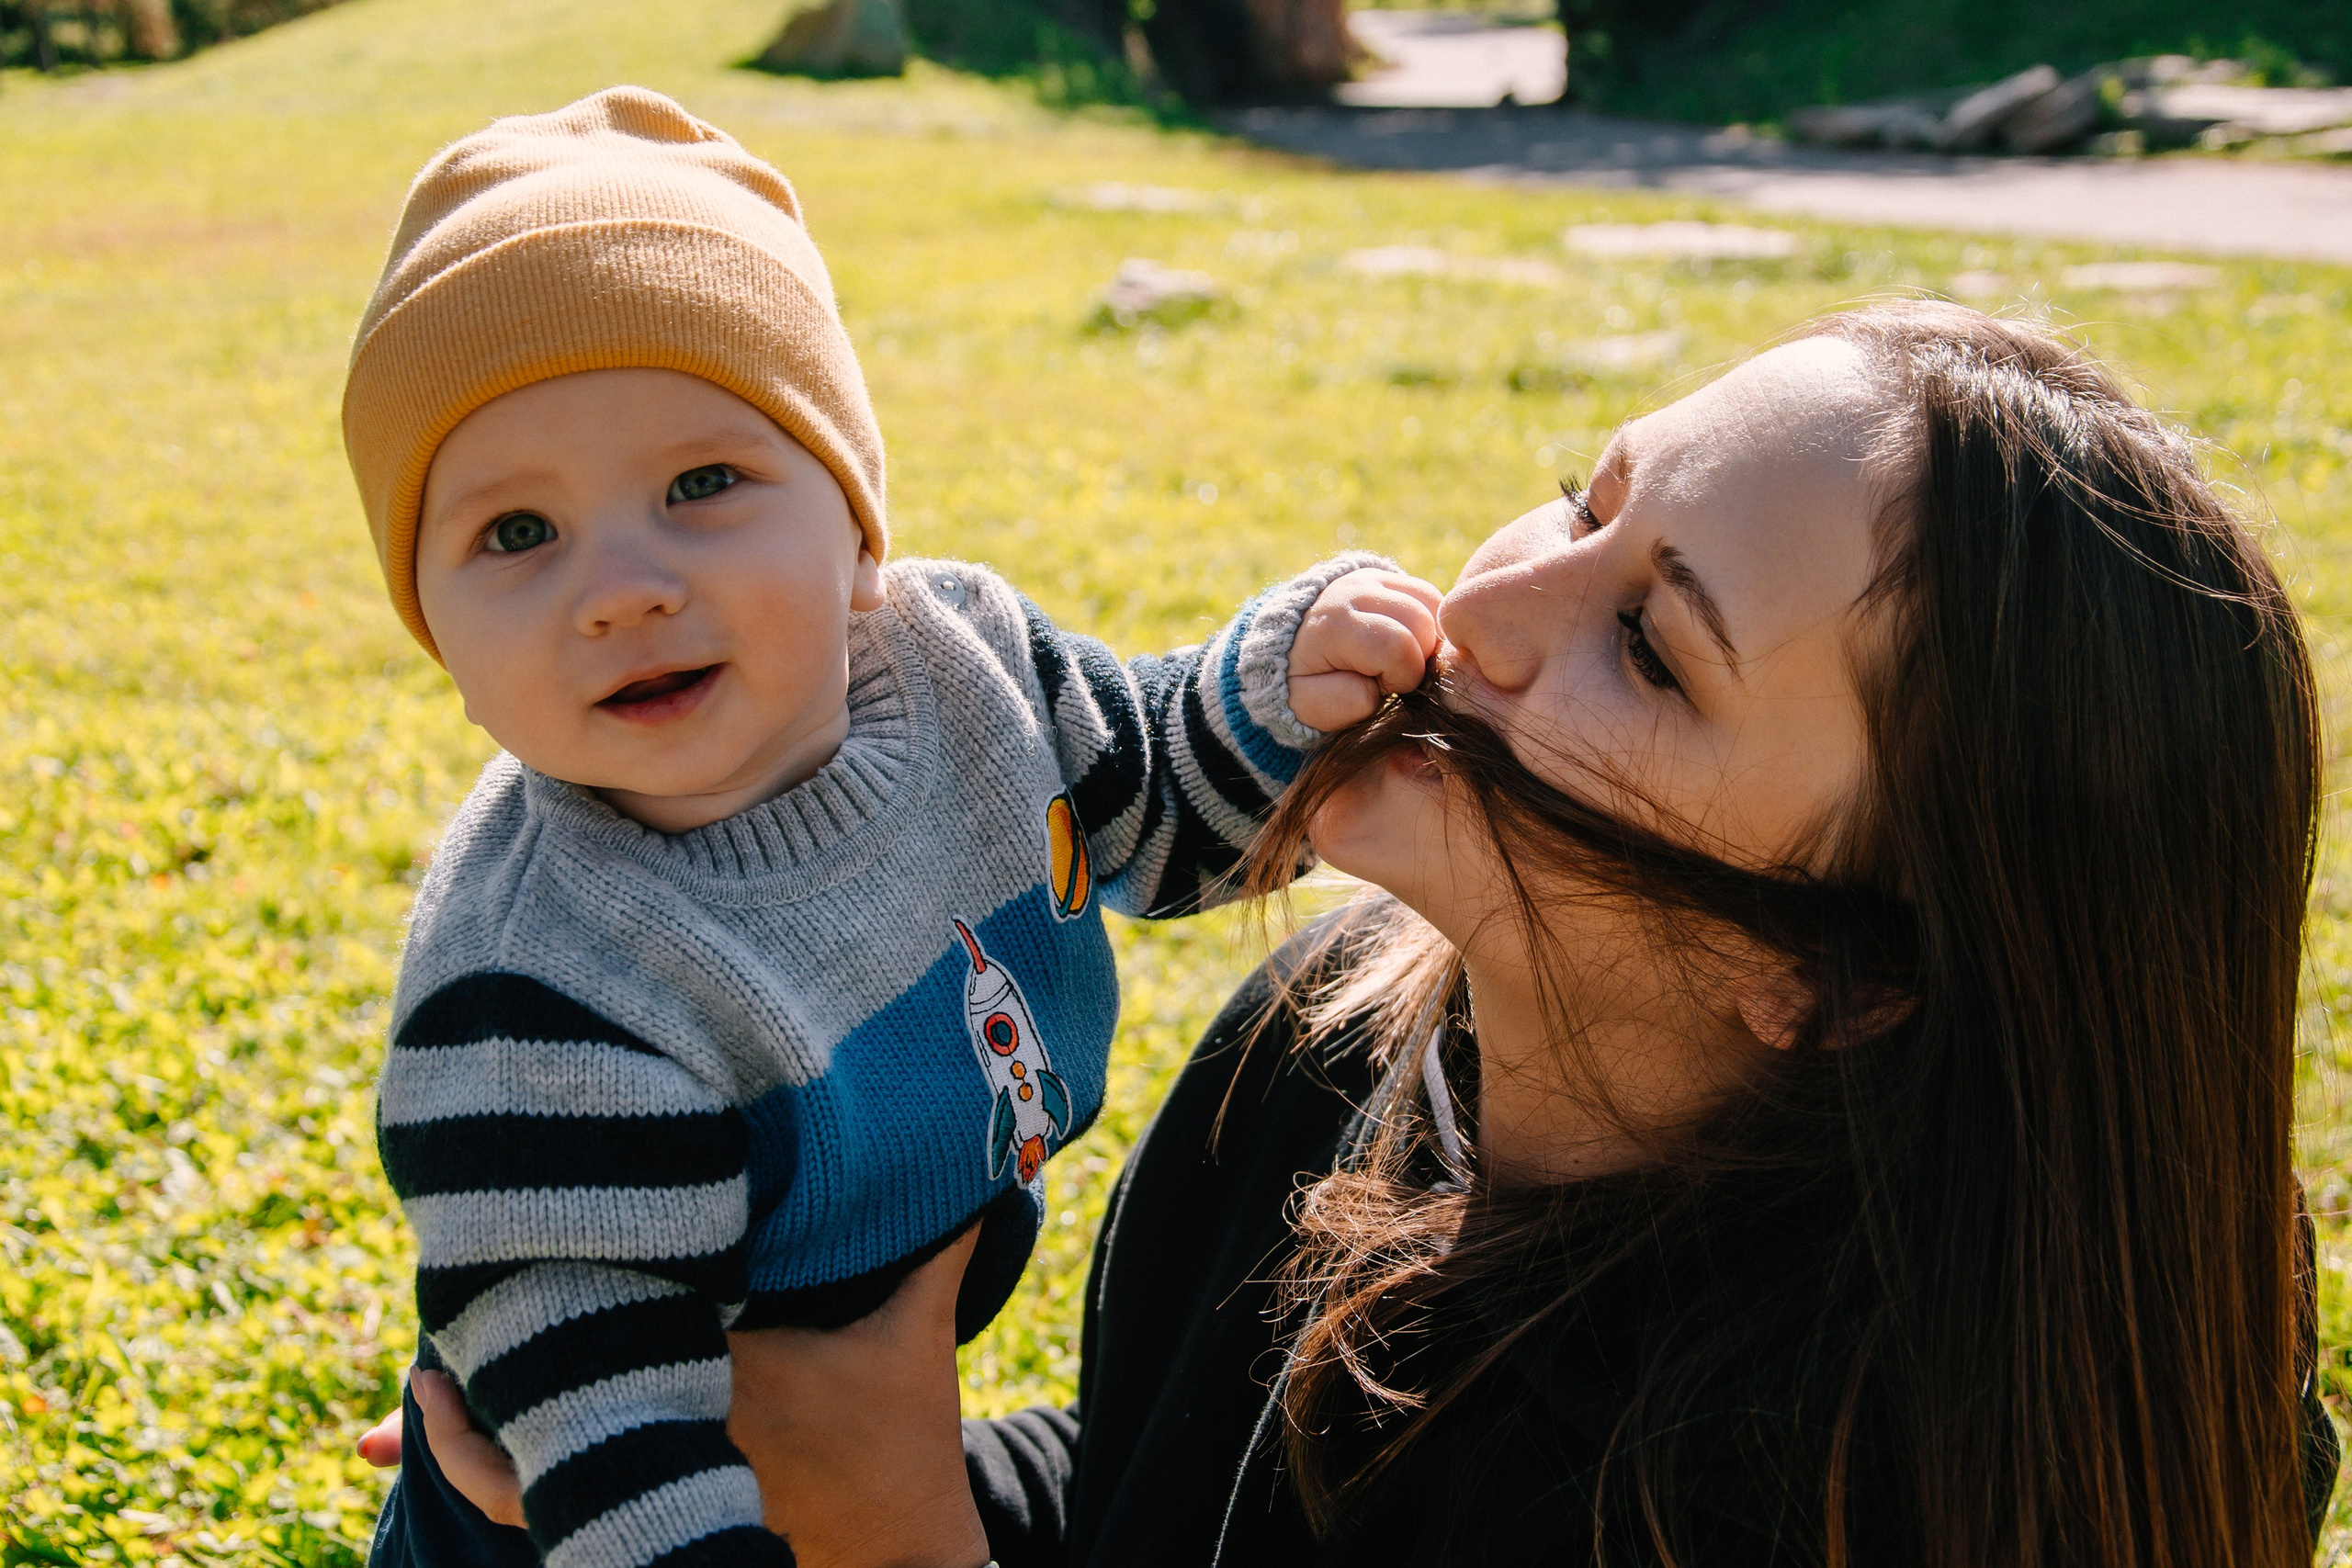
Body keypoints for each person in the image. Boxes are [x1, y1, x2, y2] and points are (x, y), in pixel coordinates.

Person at [371, 302, 2344, 1566]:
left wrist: (895, 1533)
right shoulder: (1336, 1036)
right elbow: (1169, 1484)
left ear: (1834, 975)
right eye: (1577, 495)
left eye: (1645, 648)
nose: (1486, 609)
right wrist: (799, 1460)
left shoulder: (1808, 1492)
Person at [339, 86, 1445, 1568]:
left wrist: (1280, 695)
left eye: (702, 483)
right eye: (514, 534)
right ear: (443, 643)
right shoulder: (541, 995)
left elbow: (1154, 810)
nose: (621, 585)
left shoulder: (967, 661)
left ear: (861, 528)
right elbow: (613, 1431)